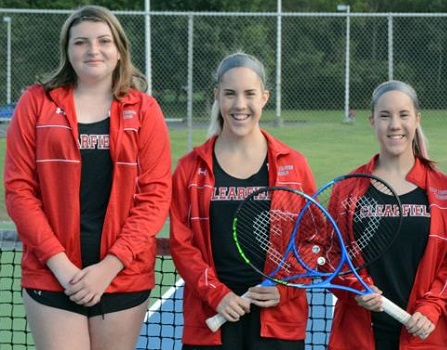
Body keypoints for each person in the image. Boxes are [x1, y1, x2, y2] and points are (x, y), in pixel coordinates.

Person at [3, 5, 172, 350]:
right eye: (81, 42)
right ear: (67, 49)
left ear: (119, 49)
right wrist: (61, 266)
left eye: (103, 41)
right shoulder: (35, 103)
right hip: (52, 276)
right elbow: (19, 191)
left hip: (123, 275)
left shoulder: (145, 110)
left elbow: (155, 196)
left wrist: (110, 266)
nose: (93, 50)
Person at [169, 52, 317, 349]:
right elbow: (182, 245)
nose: (239, 105)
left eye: (249, 94)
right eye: (230, 94)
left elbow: (314, 238)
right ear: (217, 97)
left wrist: (284, 289)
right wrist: (217, 295)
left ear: (264, 97)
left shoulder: (294, 165)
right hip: (212, 319)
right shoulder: (190, 168)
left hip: (278, 323)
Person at [327, 80, 447, 350]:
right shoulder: (347, 188)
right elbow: (330, 255)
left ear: (417, 119)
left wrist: (432, 305)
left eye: (403, 115)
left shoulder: (444, 189)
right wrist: (355, 287)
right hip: (358, 335)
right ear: (372, 121)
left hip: (423, 334)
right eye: (385, 116)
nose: (394, 125)